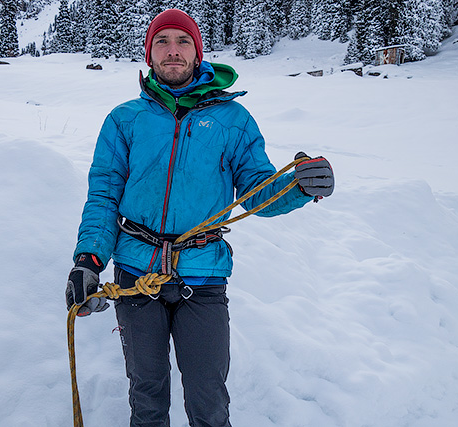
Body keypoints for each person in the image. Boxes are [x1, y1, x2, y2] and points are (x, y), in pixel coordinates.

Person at [66, 9, 334, 427]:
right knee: (147, 394)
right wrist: (89, 259)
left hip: (203, 277)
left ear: (198, 51)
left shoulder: (233, 121)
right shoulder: (124, 119)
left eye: (182, 42)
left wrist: (299, 187)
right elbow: (103, 196)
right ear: (149, 54)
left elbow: (257, 192)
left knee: (209, 399)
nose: (172, 51)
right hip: (136, 274)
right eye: (162, 42)